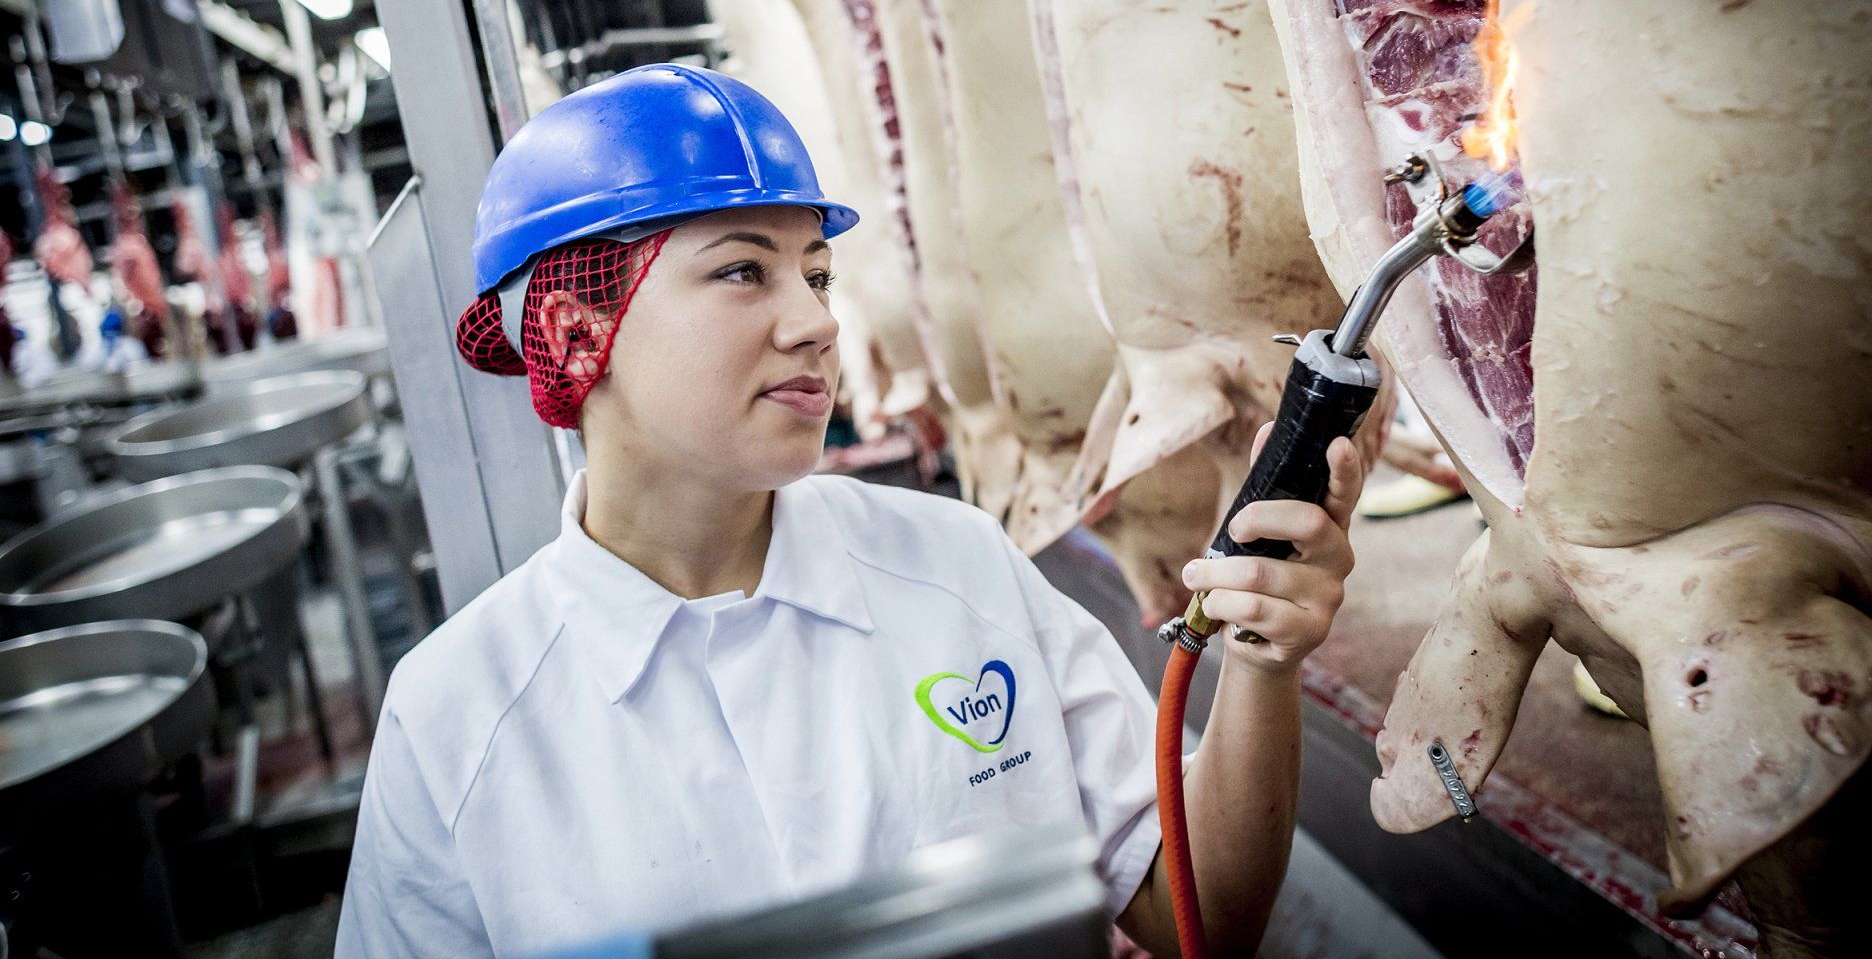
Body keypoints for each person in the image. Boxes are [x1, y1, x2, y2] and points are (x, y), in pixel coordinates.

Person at [335, 64, 1361, 958]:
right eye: (743, 270)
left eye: (817, 275)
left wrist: (1263, 665)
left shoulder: (956, 565)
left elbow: (1199, 915)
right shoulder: (455, 717)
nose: (817, 322)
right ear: (573, 332)